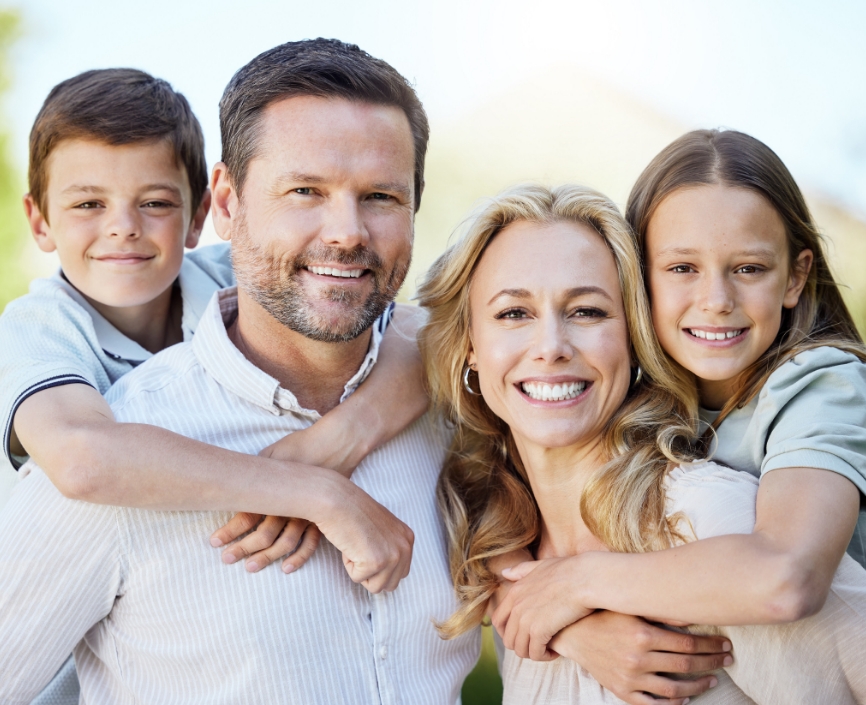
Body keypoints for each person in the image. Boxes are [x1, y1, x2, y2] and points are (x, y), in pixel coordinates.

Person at [0, 39, 478, 703]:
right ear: (227, 202)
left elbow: (432, 333)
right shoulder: (107, 431)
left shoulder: (457, 398)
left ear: (197, 214)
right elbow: (83, 459)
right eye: (304, 190)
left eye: (379, 195)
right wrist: (314, 489)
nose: (345, 231)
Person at [417, 183, 866, 704]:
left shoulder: (699, 515)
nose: (551, 348)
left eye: (587, 311)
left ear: (634, 337)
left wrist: (576, 586)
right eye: (513, 314)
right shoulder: (507, 549)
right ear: (470, 347)